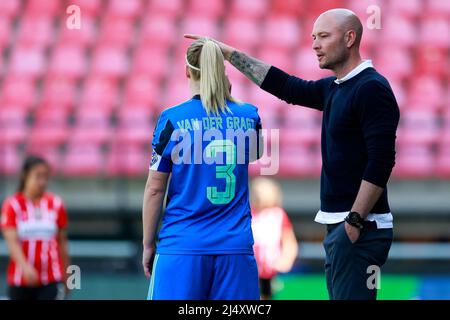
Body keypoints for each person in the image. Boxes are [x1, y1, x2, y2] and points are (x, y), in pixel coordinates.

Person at [185, 8, 400, 300]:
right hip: (342, 225)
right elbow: (286, 87)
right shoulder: (335, 88)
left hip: (360, 228)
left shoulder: (371, 88)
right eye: (313, 37)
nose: (315, 44)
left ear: (350, 38)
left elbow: (382, 160)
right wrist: (230, 54)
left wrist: (355, 220)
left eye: (324, 36)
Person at [142, 38, 263, 300]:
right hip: (235, 249)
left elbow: (154, 189)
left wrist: (148, 244)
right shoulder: (249, 115)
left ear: (187, 71)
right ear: (222, 73)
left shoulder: (172, 119)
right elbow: (257, 154)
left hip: (182, 245)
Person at [1, 156, 70, 300]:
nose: (42, 182)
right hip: (21, 280)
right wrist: (25, 267)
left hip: (51, 278)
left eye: (45, 177)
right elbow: (12, 243)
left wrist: (69, 277)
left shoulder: (56, 204)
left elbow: (63, 244)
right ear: (25, 176)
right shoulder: (12, 205)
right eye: (38, 176)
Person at [250, 177, 298, 300]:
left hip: (269, 269)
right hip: (249, 267)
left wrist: (285, 260)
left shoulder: (278, 214)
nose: (258, 196)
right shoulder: (248, 213)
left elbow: (289, 241)